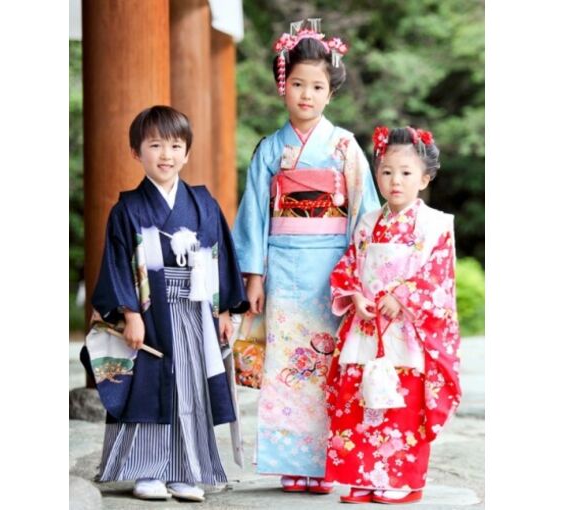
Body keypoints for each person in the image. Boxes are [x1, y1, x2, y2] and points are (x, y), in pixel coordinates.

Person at [232, 18, 380, 494]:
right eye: (298, 84)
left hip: (332, 272)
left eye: (317, 86)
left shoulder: (344, 147)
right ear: (283, 85)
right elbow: (254, 213)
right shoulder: (270, 149)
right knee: (287, 366)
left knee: (328, 367)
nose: (306, 95)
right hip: (283, 267)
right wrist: (253, 276)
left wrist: (359, 276)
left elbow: (364, 212)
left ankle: (325, 463)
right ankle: (292, 463)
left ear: (330, 93)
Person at [83, 105, 249, 502]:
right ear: (136, 152)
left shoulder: (203, 204)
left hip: (194, 311)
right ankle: (146, 471)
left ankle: (183, 470)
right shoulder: (128, 209)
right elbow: (117, 262)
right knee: (147, 387)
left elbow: (221, 257)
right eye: (155, 145)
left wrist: (225, 310)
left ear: (187, 153)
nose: (166, 155)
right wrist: (130, 313)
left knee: (189, 388)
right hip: (149, 311)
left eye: (175, 146)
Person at [324, 126, 462, 504]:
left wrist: (402, 298)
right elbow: (349, 266)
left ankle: (401, 481)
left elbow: (439, 278)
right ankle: (363, 477)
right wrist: (355, 296)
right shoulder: (368, 223)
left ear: (425, 178)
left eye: (405, 172)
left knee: (404, 403)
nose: (395, 180)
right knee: (360, 400)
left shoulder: (436, 225)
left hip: (408, 332)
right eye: (386, 171)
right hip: (368, 327)